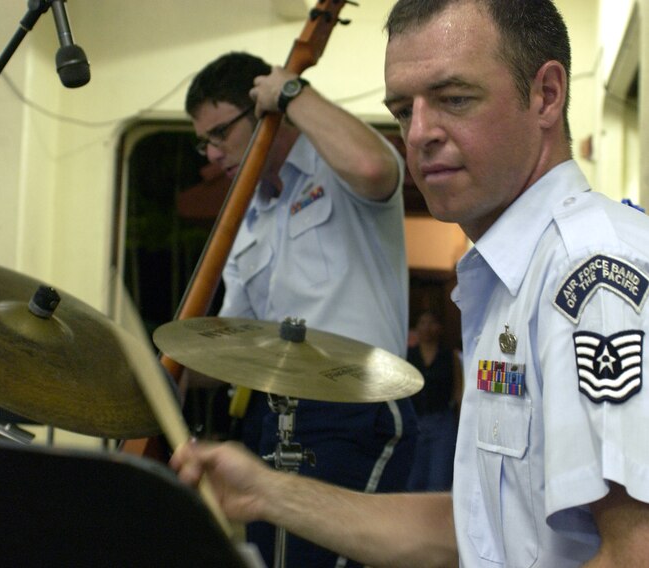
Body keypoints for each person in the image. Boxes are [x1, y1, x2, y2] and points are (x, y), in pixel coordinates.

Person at [171, 1, 649, 566]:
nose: (418, 134)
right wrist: (266, 491)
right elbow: (479, 531)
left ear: (545, 95)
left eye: (454, 99)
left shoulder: (589, 272)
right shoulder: (505, 283)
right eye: (402, 110)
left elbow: (634, 550)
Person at [184, 52, 417, 566]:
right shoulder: (248, 220)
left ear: (262, 107)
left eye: (220, 132)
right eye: (204, 141)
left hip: (357, 405)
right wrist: (160, 360)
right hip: (277, 419)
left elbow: (375, 167)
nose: (212, 152)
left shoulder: (333, 161)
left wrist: (293, 92)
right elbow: (236, 340)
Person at [405, 311, 460, 492]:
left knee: (439, 480)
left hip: (441, 422)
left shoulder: (449, 356)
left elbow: (458, 389)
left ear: (439, 328)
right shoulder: (408, 356)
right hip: (414, 421)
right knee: (412, 479)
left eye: (431, 323)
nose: (426, 328)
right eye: (422, 323)